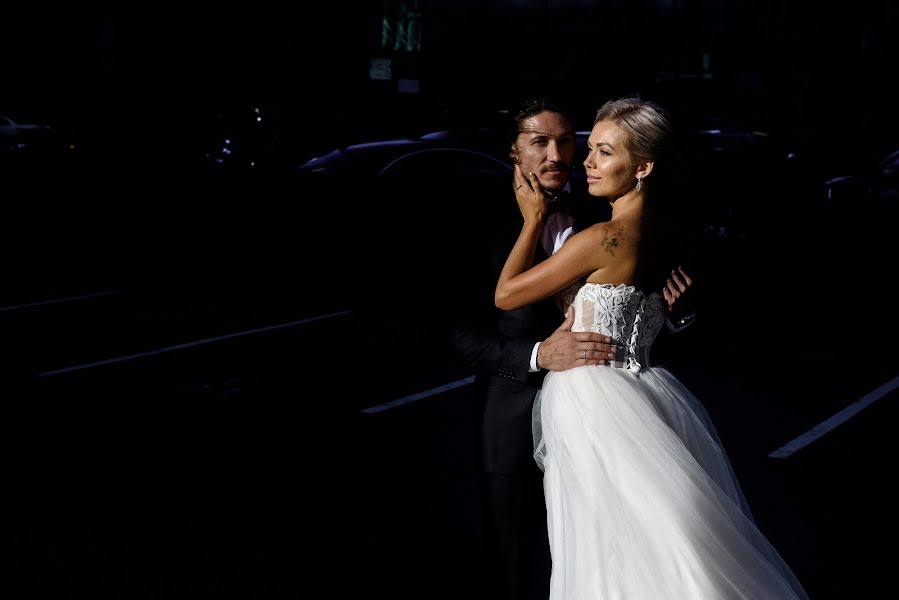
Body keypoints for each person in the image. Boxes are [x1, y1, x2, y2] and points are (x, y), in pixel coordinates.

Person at [494, 96, 808, 598]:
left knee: (602, 546)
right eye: (590, 149)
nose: (587, 163)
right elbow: (645, 308)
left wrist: (532, 221)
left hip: (592, 402)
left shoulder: (604, 237)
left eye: (604, 153)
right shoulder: (668, 235)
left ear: (642, 167)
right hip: (643, 393)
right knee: (651, 539)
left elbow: (505, 294)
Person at [451, 97, 693, 600]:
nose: (560, 155)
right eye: (540, 142)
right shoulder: (475, 217)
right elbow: (457, 330)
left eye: (568, 141)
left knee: (606, 555)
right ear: (513, 151)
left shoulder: (600, 212)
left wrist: (679, 313)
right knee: (514, 565)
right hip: (516, 422)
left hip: (605, 418)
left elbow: (641, 299)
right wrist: (539, 354)